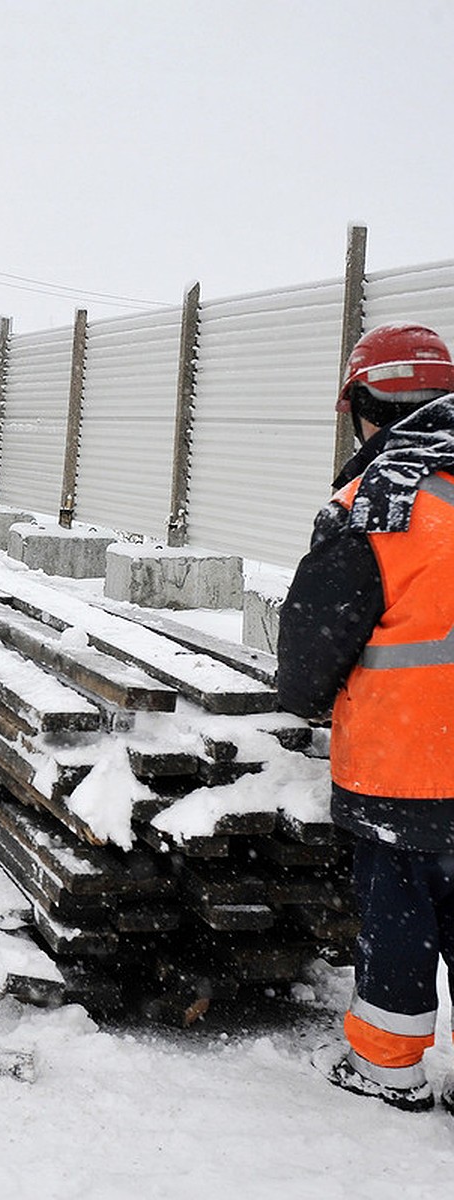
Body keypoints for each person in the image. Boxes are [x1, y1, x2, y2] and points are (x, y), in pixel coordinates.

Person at [279, 322, 454, 1115]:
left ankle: (386, 1065)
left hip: (403, 769)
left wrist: (311, 704)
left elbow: (310, 661)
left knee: (401, 924)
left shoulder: (373, 506)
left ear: (362, 406)